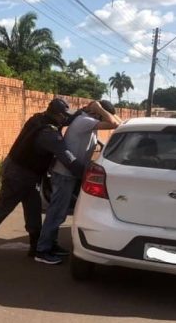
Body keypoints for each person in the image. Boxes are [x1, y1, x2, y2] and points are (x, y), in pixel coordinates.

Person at [0, 97, 86, 259]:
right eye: (64, 116)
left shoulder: (39, 118)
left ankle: (35, 245)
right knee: (4, 207)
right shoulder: (49, 134)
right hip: (18, 173)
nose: (66, 119)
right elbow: (68, 159)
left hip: (27, 172)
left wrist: (84, 112)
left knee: (33, 208)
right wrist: (87, 174)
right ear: (57, 115)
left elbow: (67, 121)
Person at [34, 99, 121, 265]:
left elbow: (118, 123)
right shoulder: (84, 121)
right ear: (96, 114)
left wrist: (100, 110)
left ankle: (51, 245)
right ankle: (42, 250)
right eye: (101, 114)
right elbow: (113, 124)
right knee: (56, 213)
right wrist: (99, 109)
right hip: (64, 173)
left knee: (58, 212)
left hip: (69, 173)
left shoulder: (88, 121)